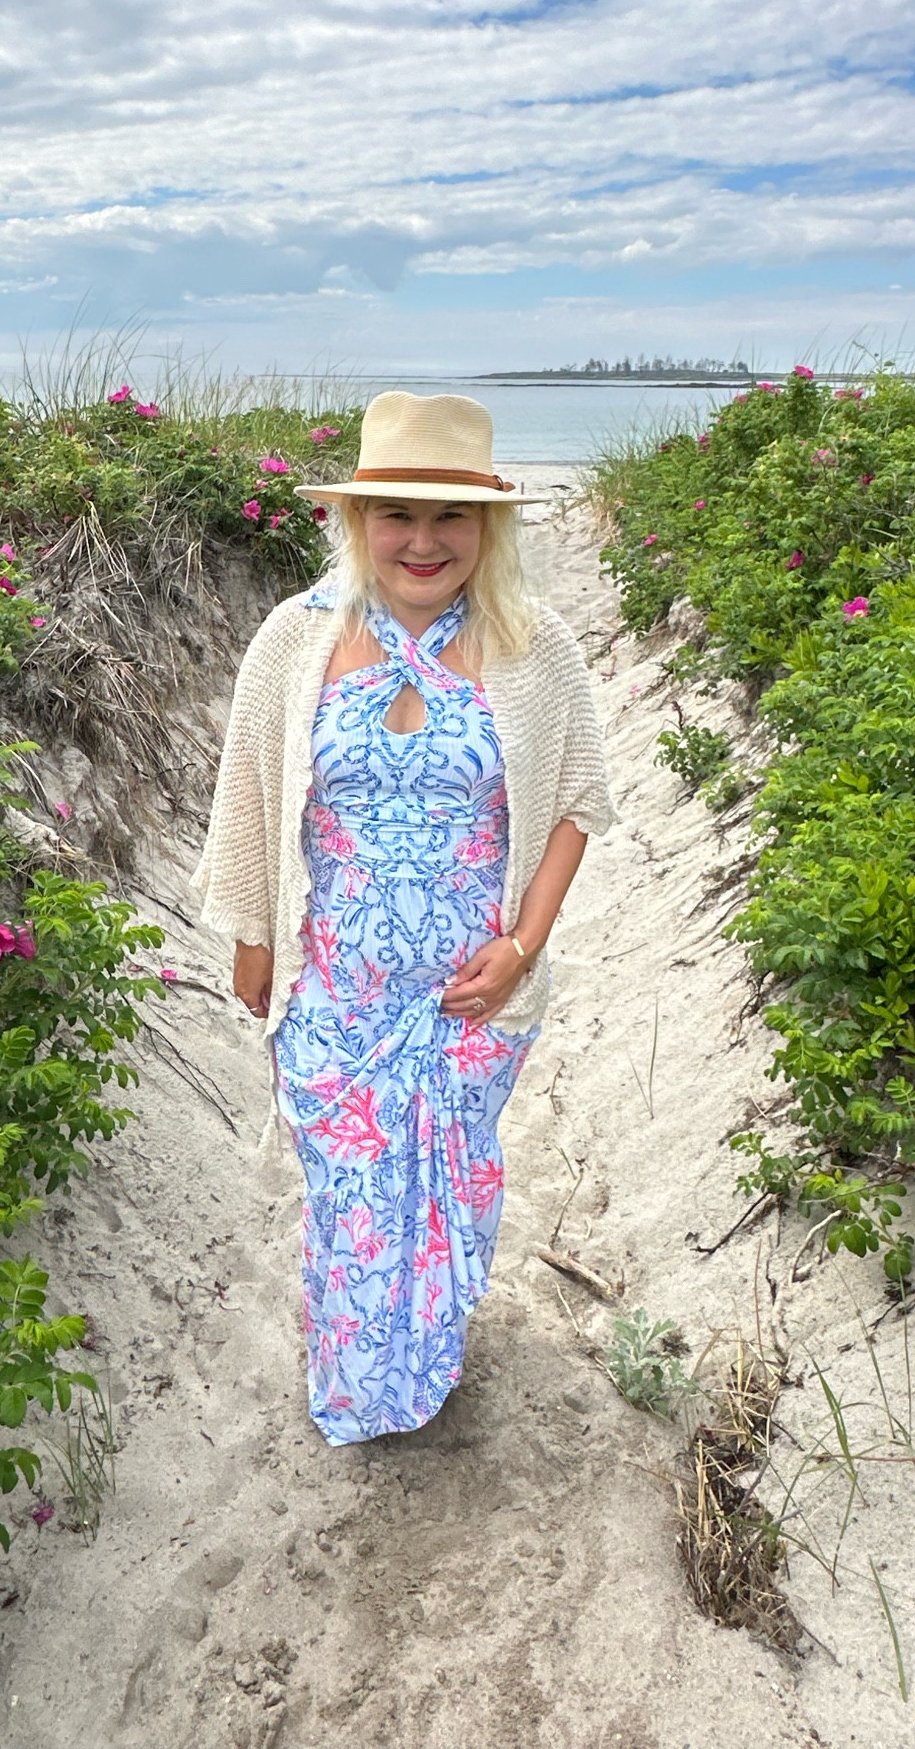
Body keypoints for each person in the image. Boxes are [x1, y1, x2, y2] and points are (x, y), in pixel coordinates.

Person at [193, 391, 614, 1445]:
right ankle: (362, 1389)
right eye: (397, 515)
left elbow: (574, 803)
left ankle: (424, 1360)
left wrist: (522, 948)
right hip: (334, 992)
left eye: (449, 518)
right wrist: (255, 935)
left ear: (488, 526)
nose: (422, 542)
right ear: (358, 520)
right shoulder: (295, 639)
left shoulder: (536, 644)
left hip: (469, 1001)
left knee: (443, 1191)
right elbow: (248, 790)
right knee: (349, 1198)